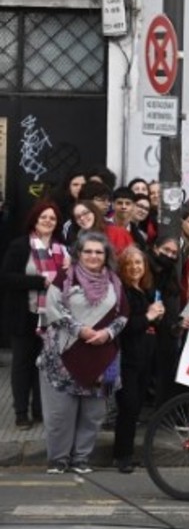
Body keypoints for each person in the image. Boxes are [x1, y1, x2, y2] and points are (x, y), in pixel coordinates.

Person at [38, 232, 128, 474]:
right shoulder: (64, 278)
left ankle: (81, 459)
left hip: (104, 357)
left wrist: (108, 333)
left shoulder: (115, 282)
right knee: (60, 415)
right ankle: (58, 460)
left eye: (99, 252)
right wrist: (80, 331)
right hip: (63, 356)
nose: (93, 256)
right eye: (88, 251)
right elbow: (53, 309)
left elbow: (123, 315)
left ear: (106, 255)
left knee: (93, 415)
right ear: (78, 253)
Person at [2, 203, 68, 429]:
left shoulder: (62, 249)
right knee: (22, 365)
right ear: (34, 219)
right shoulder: (20, 245)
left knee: (46, 365)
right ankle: (21, 413)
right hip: (24, 314)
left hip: (52, 317)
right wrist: (40, 282)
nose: (48, 221)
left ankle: (40, 409)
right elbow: (6, 277)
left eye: (52, 218)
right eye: (43, 217)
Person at [111, 246, 165, 473]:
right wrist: (149, 316)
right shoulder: (121, 291)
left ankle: (127, 453)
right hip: (127, 359)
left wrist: (157, 317)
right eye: (129, 263)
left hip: (145, 358)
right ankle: (122, 456)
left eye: (138, 263)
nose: (135, 267)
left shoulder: (144, 290)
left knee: (135, 409)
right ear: (122, 267)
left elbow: (148, 324)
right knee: (128, 407)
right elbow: (124, 326)